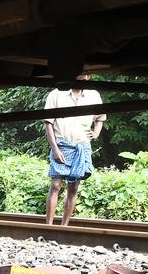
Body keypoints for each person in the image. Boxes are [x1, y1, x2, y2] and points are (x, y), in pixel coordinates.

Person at [44, 75, 106, 226]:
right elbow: (48, 123)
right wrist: (55, 148)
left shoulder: (93, 95)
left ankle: (65, 226)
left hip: (81, 146)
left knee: (73, 187)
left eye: (86, 75)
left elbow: (100, 117)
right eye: (80, 75)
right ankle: (49, 226)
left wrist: (96, 132)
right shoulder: (56, 94)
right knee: (55, 185)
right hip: (62, 145)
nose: (84, 78)